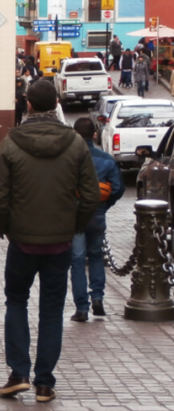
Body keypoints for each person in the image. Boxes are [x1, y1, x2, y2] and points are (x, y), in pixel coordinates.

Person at [0, 80, 99, 403]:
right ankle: (45, 382)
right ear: (57, 104)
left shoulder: (11, 143)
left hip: (22, 241)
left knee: (16, 301)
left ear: (28, 104)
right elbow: (90, 196)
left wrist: (6, 228)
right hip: (60, 243)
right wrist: (73, 226)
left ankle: (18, 372)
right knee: (51, 310)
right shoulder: (76, 143)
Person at [69, 118, 125, 322]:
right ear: (94, 134)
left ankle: (81, 308)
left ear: (74, 134)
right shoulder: (106, 159)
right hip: (97, 214)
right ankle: (98, 298)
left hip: (75, 216)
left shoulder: (69, 158)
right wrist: (104, 205)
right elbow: (118, 189)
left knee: (76, 260)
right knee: (95, 256)